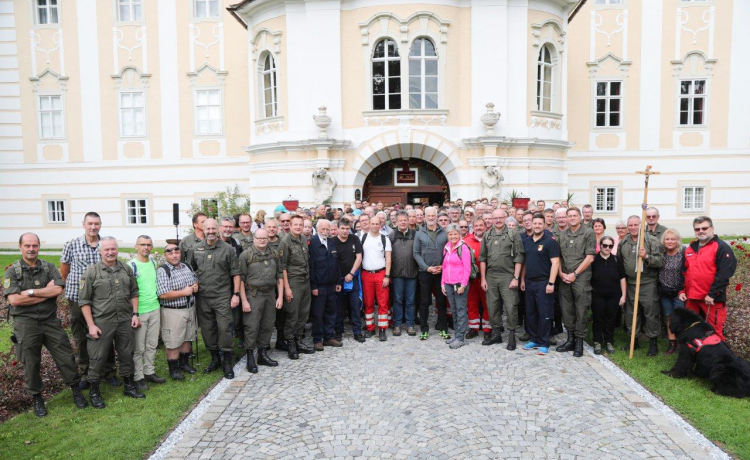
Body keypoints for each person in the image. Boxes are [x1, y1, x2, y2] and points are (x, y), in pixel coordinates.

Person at [4, 233, 87, 416]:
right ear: (20, 247)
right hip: (26, 324)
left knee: (65, 356)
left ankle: (75, 390)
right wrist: (45, 292)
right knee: (30, 363)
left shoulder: (48, 266)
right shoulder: (13, 271)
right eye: (27, 246)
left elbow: (58, 289)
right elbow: (15, 300)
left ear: (39, 246)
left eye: (34, 245)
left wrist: (30, 292)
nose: (31, 249)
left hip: (50, 321)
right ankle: (37, 398)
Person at [79, 237, 143, 408]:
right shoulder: (91, 272)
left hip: (124, 319)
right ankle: (94, 391)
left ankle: (129, 385)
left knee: (126, 353)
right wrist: (91, 325)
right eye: (106, 249)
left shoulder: (126, 269)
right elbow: (84, 301)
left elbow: (134, 292)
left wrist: (135, 314)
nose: (110, 252)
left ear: (117, 249)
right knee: (98, 357)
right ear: (100, 251)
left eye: (113, 249)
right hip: (102, 321)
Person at [60, 211, 119, 388]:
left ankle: (108, 372)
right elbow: (64, 270)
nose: (93, 227)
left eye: (97, 224)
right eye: (90, 223)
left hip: (102, 299)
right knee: (82, 336)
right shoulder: (72, 244)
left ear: (100, 225)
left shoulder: (105, 244)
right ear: (83, 224)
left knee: (105, 334)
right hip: (78, 298)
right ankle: (86, 372)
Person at [186, 218, 241, 378]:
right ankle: (215, 358)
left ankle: (227, 361)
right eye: (207, 229)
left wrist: (236, 294)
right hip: (203, 298)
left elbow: (236, 273)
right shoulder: (196, 249)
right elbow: (190, 270)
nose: (210, 231)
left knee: (224, 329)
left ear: (218, 229)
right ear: (202, 229)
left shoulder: (228, 249)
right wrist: (193, 284)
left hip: (222, 296)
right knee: (208, 330)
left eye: (213, 229)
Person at [679, 216, 737, 342]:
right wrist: (682, 291)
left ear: (712, 228)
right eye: (697, 229)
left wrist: (712, 294)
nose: (701, 231)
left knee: (714, 331)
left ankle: (717, 360)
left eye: (704, 228)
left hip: (711, 299)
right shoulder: (690, 248)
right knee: (692, 328)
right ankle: (695, 355)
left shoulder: (721, 247)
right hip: (692, 298)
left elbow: (725, 273)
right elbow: (683, 272)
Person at [238, 229, 284, 373]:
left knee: (267, 324)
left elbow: (280, 276)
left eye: (265, 238)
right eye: (259, 238)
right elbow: (240, 279)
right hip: (253, 294)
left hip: (270, 294)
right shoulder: (246, 255)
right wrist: (244, 301)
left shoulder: (274, 254)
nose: (262, 240)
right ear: (254, 239)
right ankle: (251, 356)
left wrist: (280, 296)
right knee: (252, 325)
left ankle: (262, 354)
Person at [618, 215, 664, 355]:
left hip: (647, 282)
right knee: (631, 314)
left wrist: (647, 257)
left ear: (641, 225)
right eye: (630, 225)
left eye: (635, 225)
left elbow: (660, 261)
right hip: (631, 283)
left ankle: (653, 342)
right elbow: (620, 263)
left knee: (650, 313)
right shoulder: (623, 242)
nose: (632, 228)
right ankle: (634, 340)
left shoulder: (651, 241)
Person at [480, 209, 525, 349]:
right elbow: (482, 258)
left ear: (505, 218)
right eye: (495, 218)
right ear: (491, 219)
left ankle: (511, 335)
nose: (498, 220)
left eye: (500, 217)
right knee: (492, 306)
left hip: (508, 276)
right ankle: (496, 334)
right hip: (491, 276)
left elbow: (519, 257)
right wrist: (483, 278)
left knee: (511, 306)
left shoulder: (513, 234)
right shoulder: (487, 235)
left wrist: (516, 278)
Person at [556, 207, 596, 358]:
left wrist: (575, 274)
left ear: (580, 217)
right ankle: (570, 339)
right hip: (564, 277)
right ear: (566, 218)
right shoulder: (562, 234)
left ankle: (579, 341)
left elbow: (590, 257)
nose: (572, 218)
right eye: (569, 216)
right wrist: (561, 273)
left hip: (581, 277)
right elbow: (558, 256)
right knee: (567, 309)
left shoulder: (588, 233)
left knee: (581, 309)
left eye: (574, 215)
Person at [156, 241, 199, 381]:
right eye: (170, 252)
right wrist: (184, 292)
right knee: (173, 341)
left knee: (187, 337)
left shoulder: (186, 266)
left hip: (189, 308)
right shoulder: (163, 270)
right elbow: (163, 294)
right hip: (172, 311)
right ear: (165, 255)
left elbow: (194, 279)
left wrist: (195, 286)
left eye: (177, 252)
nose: (174, 255)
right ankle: (174, 370)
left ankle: (184, 364)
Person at [520, 214, 560, 355]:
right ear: (531, 224)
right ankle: (534, 339)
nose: (536, 225)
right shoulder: (526, 241)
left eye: (539, 223)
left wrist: (551, 282)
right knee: (530, 312)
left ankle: (544, 342)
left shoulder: (550, 242)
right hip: (529, 282)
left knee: (544, 313)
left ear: (544, 225)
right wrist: (523, 279)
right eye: (534, 223)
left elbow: (555, 263)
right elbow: (525, 262)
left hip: (544, 282)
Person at [130, 235, 165, 392]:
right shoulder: (131, 266)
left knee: (152, 344)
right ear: (136, 246)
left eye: (148, 245)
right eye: (142, 244)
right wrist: (134, 313)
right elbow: (129, 292)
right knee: (139, 347)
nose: (145, 247)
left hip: (154, 308)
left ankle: (149, 371)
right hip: (140, 311)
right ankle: (138, 376)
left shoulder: (152, 262)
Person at [279, 214, 314, 359]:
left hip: (305, 281)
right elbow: (283, 267)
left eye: (301, 224)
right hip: (293, 282)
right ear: (290, 226)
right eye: (296, 225)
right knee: (293, 314)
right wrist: (287, 287)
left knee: (303, 313)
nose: (298, 227)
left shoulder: (304, 239)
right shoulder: (285, 242)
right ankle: (291, 343)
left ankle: (299, 340)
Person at [413, 207, 449, 340]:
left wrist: (443, 266)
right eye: (428, 216)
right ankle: (424, 328)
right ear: (424, 217)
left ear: (436, 216)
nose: (431, 218)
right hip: (425, 272)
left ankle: (443, 327)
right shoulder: (419, 233)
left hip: (441, 272)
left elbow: (448, 251)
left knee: (441, 300)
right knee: (424, 301)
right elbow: (416, 253)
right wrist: (426, 267)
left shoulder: (444, 232)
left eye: (433, 215)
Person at [308, 220, 343, 351]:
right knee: (318, 314)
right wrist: (313, 286)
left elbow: (336, 263)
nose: (325, 231)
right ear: (317, 229)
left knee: (331, 312)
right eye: (323, 229)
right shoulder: (312, 244)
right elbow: (311, 267)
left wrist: (339, 281)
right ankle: (317, 339)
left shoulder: (331, 243)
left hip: (332, 285)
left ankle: (329, 337)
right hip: (319, 286)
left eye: (328, 229)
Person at [590, 235, 626, 355]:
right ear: (600, 246)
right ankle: (597, 341)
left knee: (610, 319)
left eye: (610, 246)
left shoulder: (616, 260)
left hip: (614, 295)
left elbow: (622, 278)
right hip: (598, 295)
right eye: (605, 245)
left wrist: (623, 295)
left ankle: (609, 341)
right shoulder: (594, 260)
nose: (607, 248)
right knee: (598, 318)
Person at [360, 215, 392, 341]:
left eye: (377, 224)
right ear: (368, 224)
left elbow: (388, 259)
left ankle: (382, 329)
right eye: (372, 223)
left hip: (381, 274)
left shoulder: (385, 239)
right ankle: (370, 328)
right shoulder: (362, 238)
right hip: (366, 274)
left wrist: (387, 276)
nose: (374, 226)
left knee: (383, 303)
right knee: (368, 303)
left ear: (380, 225)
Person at [334, 218, 365, 343]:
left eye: (347, 229)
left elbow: (359, 257)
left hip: (353, 277)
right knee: (339, 307)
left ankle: (357, 332)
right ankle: (338, 332)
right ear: (337, 229)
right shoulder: (332, 241)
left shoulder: (354, 239)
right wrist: (338, 279)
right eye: (342, 228)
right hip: (338, 280)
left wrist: (351, 273)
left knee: (355, 306)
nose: (345, 231)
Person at [441, 223, 472, 349]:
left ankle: (461, 337)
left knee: (461, 310)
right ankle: (456, 334)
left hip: (459, 284)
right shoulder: (446, 247)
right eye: (450, 234)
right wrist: (442, 283)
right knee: (453, 310)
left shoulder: (463, 247)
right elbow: (444, 267)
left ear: (459, 234)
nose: (453, 236)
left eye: (455, 233)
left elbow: (467, 268)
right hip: (448, 283)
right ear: (447, 236)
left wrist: (463, 285)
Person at [389, 211, 419, 336]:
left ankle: (410, 324)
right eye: (400, 220)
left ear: (408, 221)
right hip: (397, 274)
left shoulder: (415, 234)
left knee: (411, 300)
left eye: (405, 220)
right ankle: (397, 325)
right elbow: (387, 255)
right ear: (396, 222)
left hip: (412, 274)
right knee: (397, 300)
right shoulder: (392, 235)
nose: (402, 222)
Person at [464, 217, 491, 339]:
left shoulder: (490, 239)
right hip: (472, 278)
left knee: (488, 304)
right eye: (476, 226)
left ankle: (487, 328)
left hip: (488, 278)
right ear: (473, 227)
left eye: (481, 225)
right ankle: (473, 327)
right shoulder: (466, 241)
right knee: (472, 303)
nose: (479, 227)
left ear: (486, 227)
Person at [659, 228, 684, 354]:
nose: (670, 241)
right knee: (668, 318)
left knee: (679, 318)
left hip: (679, 293)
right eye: (667, 239)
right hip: (665, 293)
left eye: (672, 239)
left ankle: (682, 343)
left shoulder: (682, 254)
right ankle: (672, 344)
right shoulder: (661, 254)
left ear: (677, 240)